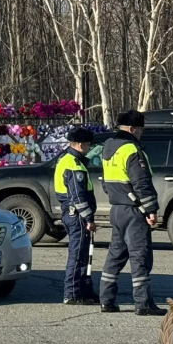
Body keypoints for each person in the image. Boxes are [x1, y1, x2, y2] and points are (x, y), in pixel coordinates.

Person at [99, 110, 165, 316]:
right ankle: (143, 303)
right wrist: (151, 210)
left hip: (117, 208)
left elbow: (107, 181)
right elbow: (141, 182)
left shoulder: (108, 148)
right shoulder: (131, 149)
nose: (141, 135)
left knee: (115, 256)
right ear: (132, 129)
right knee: (140, 256)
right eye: (140, 131)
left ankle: (106, 300)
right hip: (134, 210)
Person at [55, 127, 99, 305]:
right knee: (78, 256)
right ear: (80, 145)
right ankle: (72, 294)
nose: (90, 148)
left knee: (82, 255)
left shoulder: (68, 159)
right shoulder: (73, 164)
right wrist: (89, 218)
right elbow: (78, 196)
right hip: (77, 216)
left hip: (72, 214)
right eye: (88, 145)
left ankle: (84, 292)